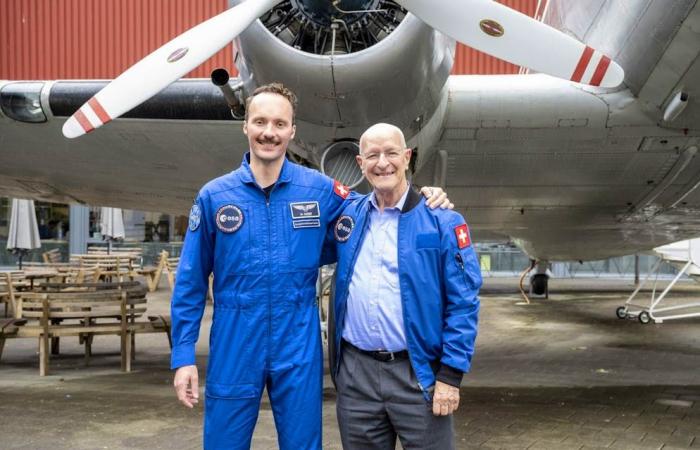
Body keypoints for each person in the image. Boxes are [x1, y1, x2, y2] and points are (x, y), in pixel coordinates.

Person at [170, 83, 452, 450]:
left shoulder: (319, 190)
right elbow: (190, 282)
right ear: (245, 127)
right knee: (224, 442)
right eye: (259, 122)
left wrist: (423, 195)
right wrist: (183, 357)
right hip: (235, 340)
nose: (268, 132)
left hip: (297, 342)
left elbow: (375, 208)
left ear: (292, 131)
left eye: (279, 123)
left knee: (303, 444)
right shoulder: (215, 196)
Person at [329, 123, 482, 449]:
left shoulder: (443, 220)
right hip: (356, 378)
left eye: (391, 153)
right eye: (372, 155)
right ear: (360, 163)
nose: (382, 162)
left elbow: (464, 302)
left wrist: (450, 378)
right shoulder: (348, 217)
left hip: (418, 375)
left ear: (407, 157)